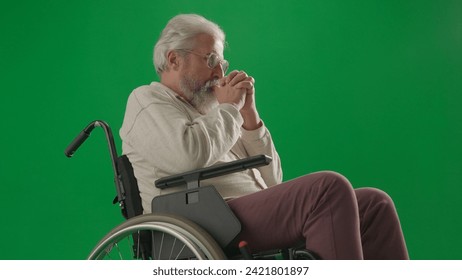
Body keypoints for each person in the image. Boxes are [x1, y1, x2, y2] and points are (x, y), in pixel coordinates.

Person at [120, 14, 409, 260]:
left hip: (239, 212)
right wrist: (230, 108)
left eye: (221, 60)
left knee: (373, 203)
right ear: (173, 59)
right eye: (210, 59)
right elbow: (187, 156)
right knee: (327, 188)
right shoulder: (148, 100)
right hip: (202, 218)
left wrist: (249, 115)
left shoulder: (214, 113)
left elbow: (273, 182)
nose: (220, 71)